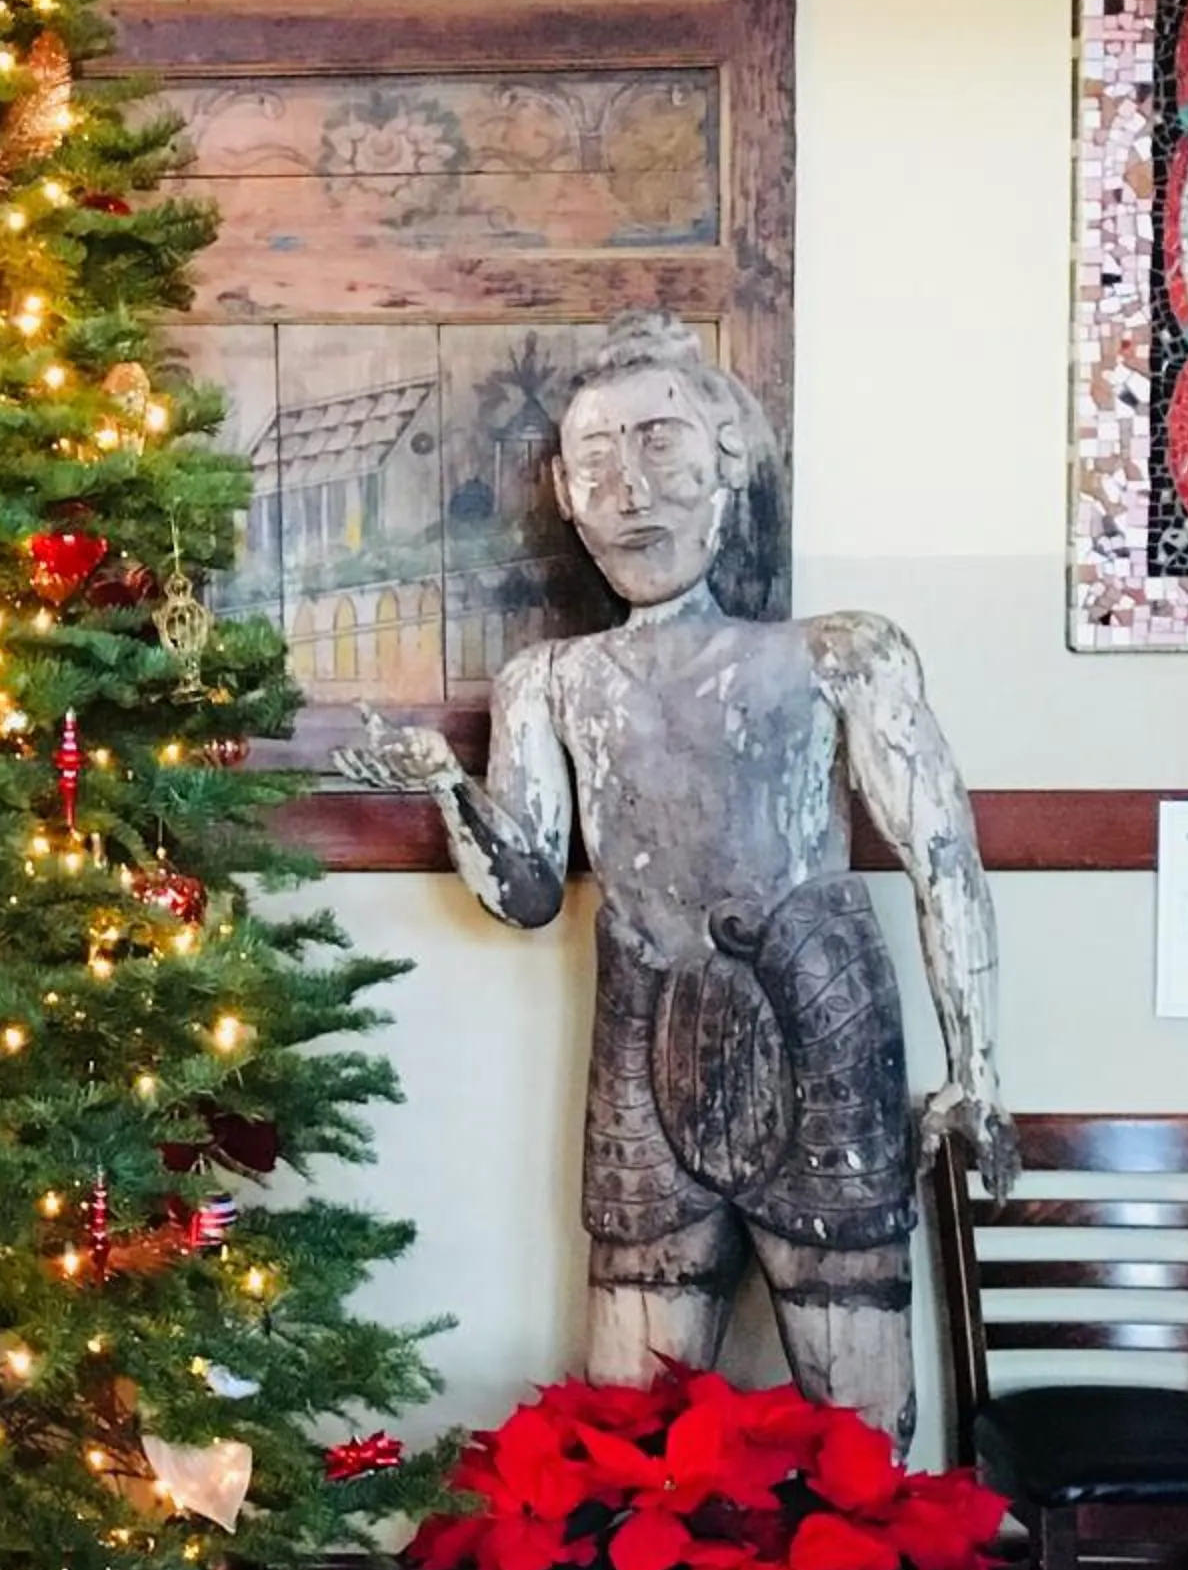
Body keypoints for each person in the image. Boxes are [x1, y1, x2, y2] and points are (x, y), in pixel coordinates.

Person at [338, 317, 1011, 1448]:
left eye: (662, 447)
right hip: (642, 1029)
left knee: (861, 1425)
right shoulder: (550, 682)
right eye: (597, 462)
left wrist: (977, 1069)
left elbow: (946, 853)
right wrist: (451, 793)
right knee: (627, 1421)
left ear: (727, 463)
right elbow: (530, 893)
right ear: (562, 488)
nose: (632, 491)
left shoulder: (840, 654)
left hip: (823, 1022)